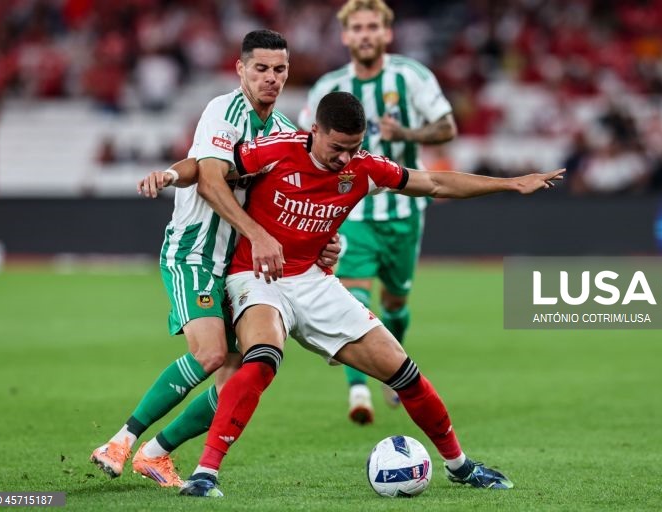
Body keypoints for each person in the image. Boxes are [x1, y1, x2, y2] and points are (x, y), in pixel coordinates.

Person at [162, 91, 563, 497]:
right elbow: (208, 170)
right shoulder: (276, 149)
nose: (344, 158)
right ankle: (205, 473)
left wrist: (511, 183)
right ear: (315, 131)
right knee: (263, 358)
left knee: (404, 372)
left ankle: (460, 466)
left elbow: (435, 182)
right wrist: (172, 175)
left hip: (315, 282)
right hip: (256, 275)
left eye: (353, 148)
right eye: (337, 147)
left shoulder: (365, 167)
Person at [90, 29, 340, 488]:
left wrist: (323, 242)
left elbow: (291, 201)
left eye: (279, 69)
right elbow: (207, 176)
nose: (271, 78)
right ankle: (120, 441)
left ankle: (156, 453)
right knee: (210, 353)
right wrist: (173, 176)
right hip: (195, 252)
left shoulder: (285, 133)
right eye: (261, 68)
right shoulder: (223, 111)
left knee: (236, 380)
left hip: (238, 265)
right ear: (241, 69)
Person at [298, 0, 458, 424]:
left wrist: (407, 132)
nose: (365, 34)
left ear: (387, 33)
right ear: (345, 35)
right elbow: (304, 138)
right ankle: (357, 391)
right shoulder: (329, 86)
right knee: (353, 296)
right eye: (357, 28)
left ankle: (392, 367)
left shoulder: (411, 76)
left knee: (396, 301)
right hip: (352, 209)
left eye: (373, 27)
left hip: (404, 210)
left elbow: (447, 126)